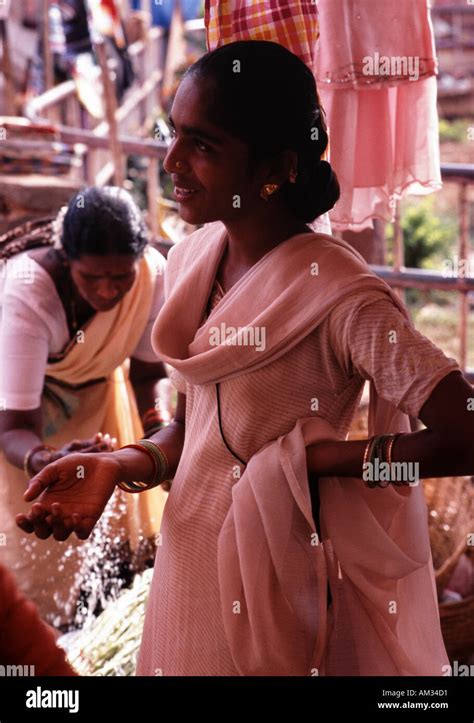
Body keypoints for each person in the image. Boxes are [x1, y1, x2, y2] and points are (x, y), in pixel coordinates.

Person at [16, 41, 474, 675]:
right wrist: (120, 463)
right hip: (186, 565)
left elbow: (467, 431)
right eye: (174, 135)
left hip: (272, 585)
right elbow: (196, 432)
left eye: (202, 146)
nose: (172, 160)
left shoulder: (342, 297)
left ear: (279, 167)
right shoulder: (193, 260)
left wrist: (319, 461)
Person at [1, 186, 168, 629]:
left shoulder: (152, 276)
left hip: (99, 401)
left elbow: (148, 375)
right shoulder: (28, 290)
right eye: (92, 277)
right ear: (65, 259)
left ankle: (88, 631)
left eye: (121, 276)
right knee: (27, 551)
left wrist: (158, 438)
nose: (109, 291)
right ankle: (36, 642)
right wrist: (46, 459)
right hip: (19, 421)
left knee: (109, 539)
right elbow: (14, 426)